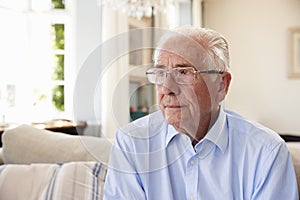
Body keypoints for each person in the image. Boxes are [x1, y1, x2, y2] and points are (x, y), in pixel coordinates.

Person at [103, 26, 299, 199]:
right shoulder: (131, 143)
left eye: (184, 73)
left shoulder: (266, 151)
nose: (167, 88)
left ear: (221, 85)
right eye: (161, 73)